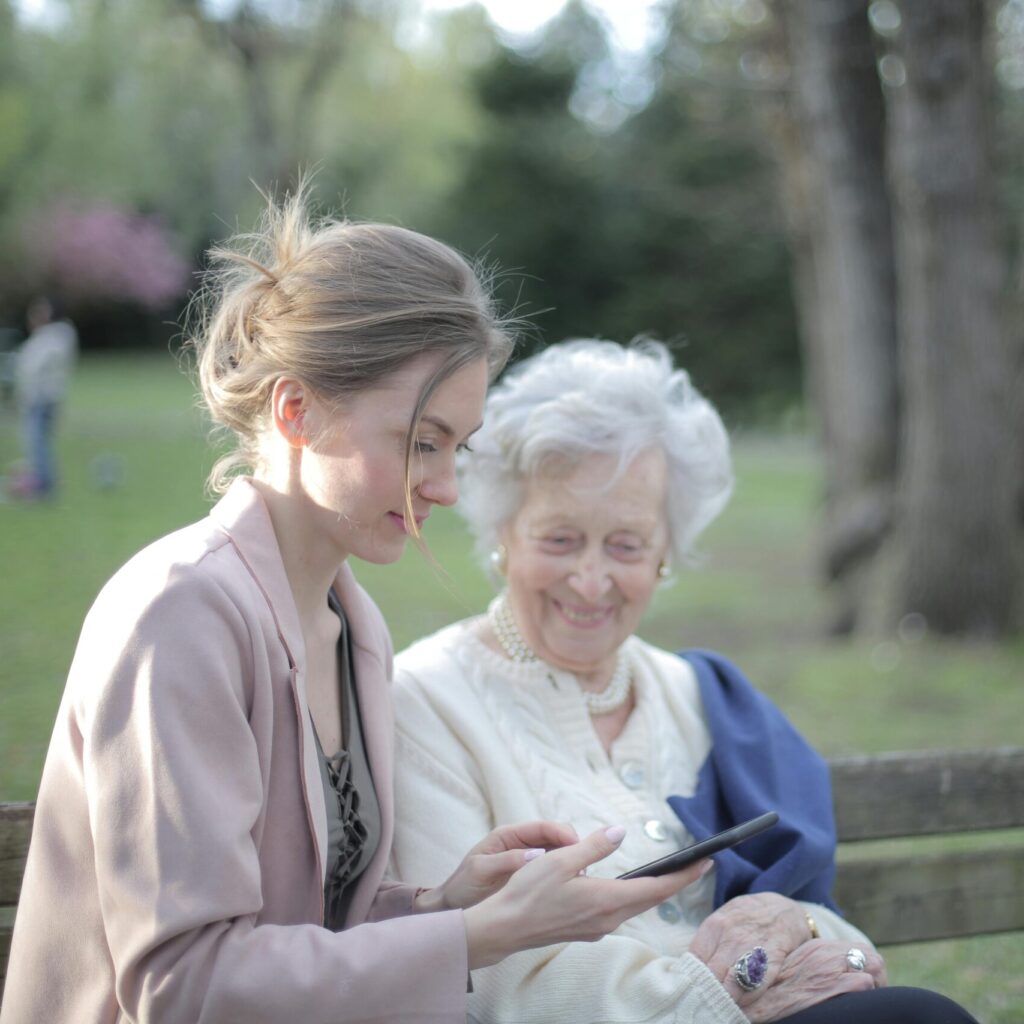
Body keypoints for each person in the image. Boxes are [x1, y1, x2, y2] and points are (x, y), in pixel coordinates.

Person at [0, 197, 710, 1024]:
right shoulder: (180, 614)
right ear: (296, 411)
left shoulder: (351, 624)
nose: (445, 487)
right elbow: (184, 985)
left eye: (457, 447)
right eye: (419, 442)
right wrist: (473, 938)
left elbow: (307, 928)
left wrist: (446, 903)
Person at [389, 340, 980, 1024]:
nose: (590, 579)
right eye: (558, 539)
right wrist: (721, 995)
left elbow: (837, 937)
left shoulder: (704, 697)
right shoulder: (425, 701)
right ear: (503, 535)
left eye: (626, 545)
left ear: (665, 553)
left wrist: (799, 928)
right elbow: (490, 980)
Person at [10, 295, 78, 499]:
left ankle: (43, 485)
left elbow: (32, 367)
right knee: (37, 442)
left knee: (37, 442)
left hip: (42, 398)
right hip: (41, 397)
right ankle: (40, 482)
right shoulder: (51, 336)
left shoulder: (55, 336)